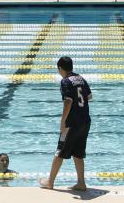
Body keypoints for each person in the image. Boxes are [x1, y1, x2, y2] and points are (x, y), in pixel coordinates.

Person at [40, 56, 92, 191]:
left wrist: (63, 121)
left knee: (60, 151)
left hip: (72, 123)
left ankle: (50, 182)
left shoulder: (65, 81)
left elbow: (68, 101)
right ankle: (81, 183)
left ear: (60, 68)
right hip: (85, 120)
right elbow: (89, 97)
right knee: (78, 153)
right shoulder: (80, 78)